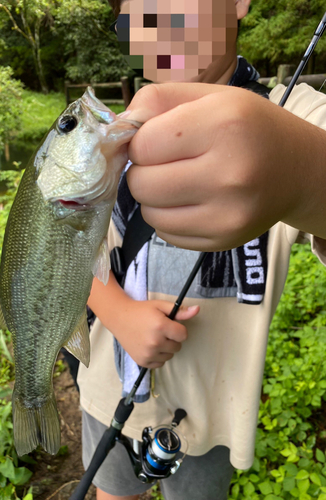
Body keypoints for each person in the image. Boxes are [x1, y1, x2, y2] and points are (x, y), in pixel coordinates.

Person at [77, 1, 326, 499]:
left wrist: (303, 175)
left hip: (214, 411)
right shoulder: (101, 129)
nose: (157, 26)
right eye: (139, 15)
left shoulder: (299, 116)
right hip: (107, 387)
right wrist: (119, 313)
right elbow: (62, 250)